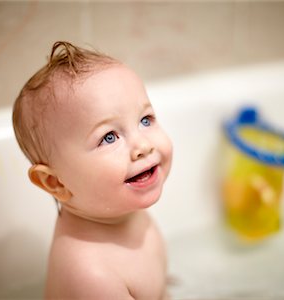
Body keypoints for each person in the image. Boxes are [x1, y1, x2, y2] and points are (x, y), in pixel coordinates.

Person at [13, 41, 173, 299]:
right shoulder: (91, 277)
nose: (143, 145)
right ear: (56, 183)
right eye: (109, 137)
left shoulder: (121, 210)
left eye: (145, 120)